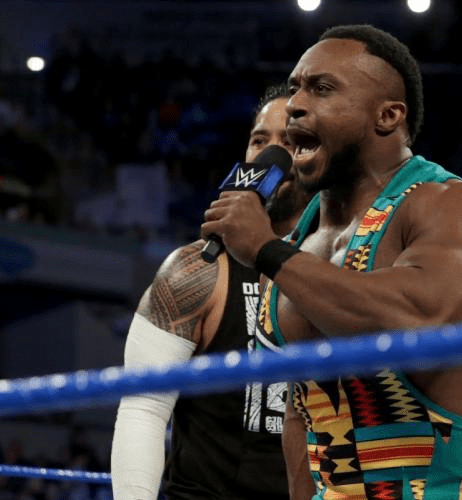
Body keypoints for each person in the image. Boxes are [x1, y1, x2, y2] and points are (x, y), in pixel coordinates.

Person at [201, 25, 462, 500]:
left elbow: (415, 322)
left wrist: (267, 251)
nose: (295, 104)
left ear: (388, 116)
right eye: (295, 87)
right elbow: (301, 413)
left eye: (322, 88)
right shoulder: (297, 244)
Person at [111, 84, 315, 500]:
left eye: (288, 141)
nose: (271, 154)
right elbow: (143, 409)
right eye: (259, 141)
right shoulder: (199, 268)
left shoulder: (348, 266)